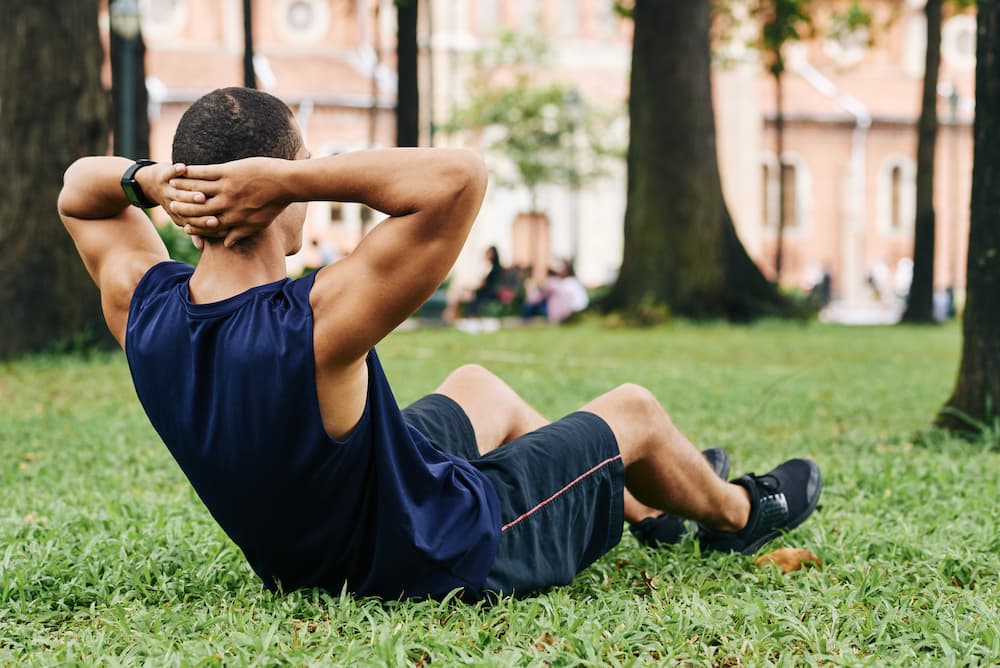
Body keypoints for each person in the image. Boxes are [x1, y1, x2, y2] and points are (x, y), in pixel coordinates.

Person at [58, 87, 822, 600]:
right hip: (427, 555)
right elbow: (458, 177)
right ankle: (735, 514)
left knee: (478, 387)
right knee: (637, 412)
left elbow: (78, 190)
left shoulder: (142, 305)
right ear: (271, 184)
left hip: (305, 544)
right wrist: (291, 179)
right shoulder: (315, 320)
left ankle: (651, 511)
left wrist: (149, 181)